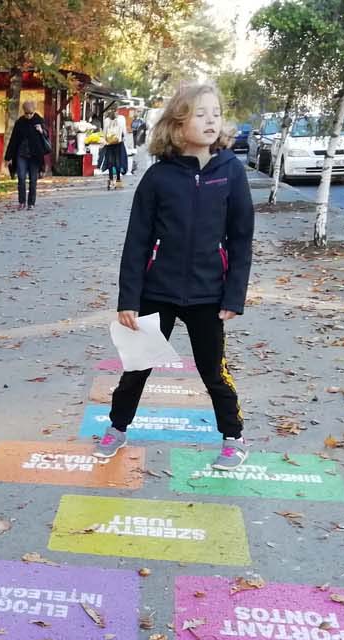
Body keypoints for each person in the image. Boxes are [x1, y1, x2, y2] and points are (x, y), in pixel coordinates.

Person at [93, 82, 254, 471]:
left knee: (214, 371)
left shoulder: (230, 172)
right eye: (200, 114)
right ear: (178, 125)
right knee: (136, 369)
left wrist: (234, 297)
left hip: (208, 295)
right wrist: (128, 299)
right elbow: (137, 241)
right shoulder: (158, 178)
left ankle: (233, 437)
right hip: (157, 291)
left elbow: (241, 238)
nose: (211, 120)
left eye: (215, 113)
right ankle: (117, 427)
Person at [3, 100, 49, 210]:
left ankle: (31, 203)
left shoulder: (39, 120)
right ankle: (21, 202)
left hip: (35, 156)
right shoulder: (20, 122)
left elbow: (47, 136)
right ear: (23, 112)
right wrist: (8, 157)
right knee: (21, 178)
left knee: (33, 179)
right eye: (26, 113)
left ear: (34, 112)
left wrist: (41, 130)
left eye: (31, 113)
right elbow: (13, 140)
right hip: (21, 154)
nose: (28, 116)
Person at [101, 110, 128, 190]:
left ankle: (111, 181)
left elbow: (104, 133)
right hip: (118, 143)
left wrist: (105, 141)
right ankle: (118, 181)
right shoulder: (121, 119)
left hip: (109, 143)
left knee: (110, 161)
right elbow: (124, 132)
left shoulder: (106, 120)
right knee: (118, 161)